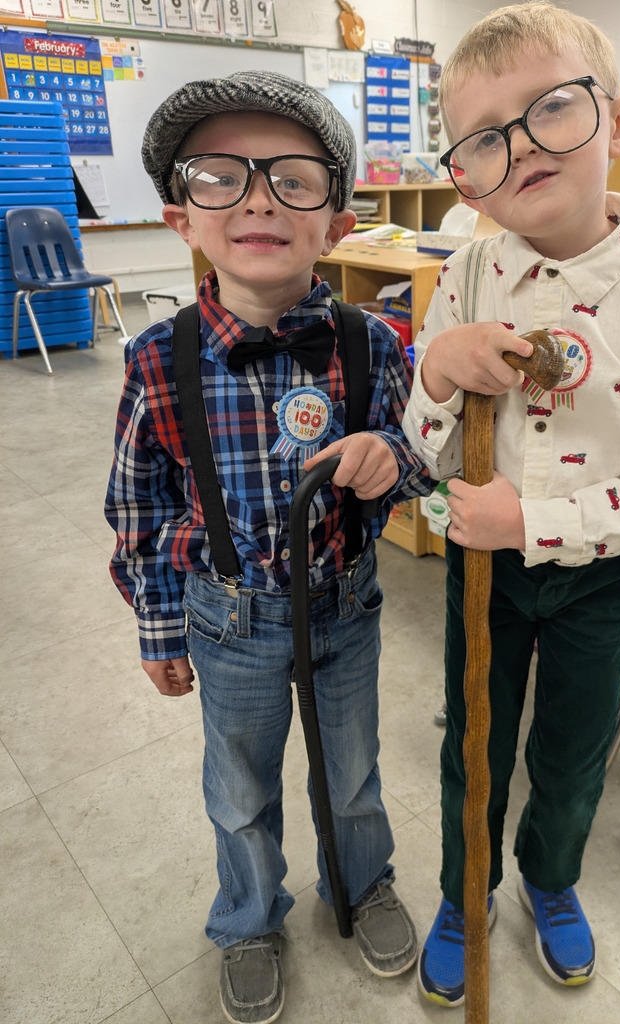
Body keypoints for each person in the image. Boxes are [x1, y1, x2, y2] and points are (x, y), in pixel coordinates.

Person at [402, 2, 620, 1006]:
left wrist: (532, 524)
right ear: (464, 172)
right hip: (481, 572)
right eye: (483, 138)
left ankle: (549, 878)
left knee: (574, 752)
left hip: (600, 576)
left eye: (550, 109)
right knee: (474, 741)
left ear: (618, 123)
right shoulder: (466, 273)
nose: (521, 148)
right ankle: (465, 890)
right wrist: (437, 376)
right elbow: (423, 448)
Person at [105, 71, 430, 1024]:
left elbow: (422, 462)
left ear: (336, 223)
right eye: (220, 176)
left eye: (292, 178)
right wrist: (160, 631)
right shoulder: (156, 360)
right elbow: (136, 507)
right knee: (239, 788)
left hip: (346, 607)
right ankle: (248, 916)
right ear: (182, 218)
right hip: (228, 618)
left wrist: (394, 458)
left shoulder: (374, 343)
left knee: (353, 772)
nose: (256, 198)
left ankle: (361, 880)